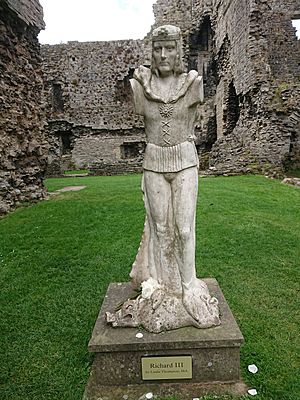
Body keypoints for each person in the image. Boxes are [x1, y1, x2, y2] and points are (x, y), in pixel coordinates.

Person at [129, 25, 219, 325]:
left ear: (179, 51)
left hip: (184, 161)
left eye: (169, 48)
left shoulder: (192, 84)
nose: (163, 54)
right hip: (154, 161)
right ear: (152, 52)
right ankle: (164, 288)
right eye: (158, 48)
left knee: (183, 228)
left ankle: (189, 285)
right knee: (161, 230)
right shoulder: (140, 86)